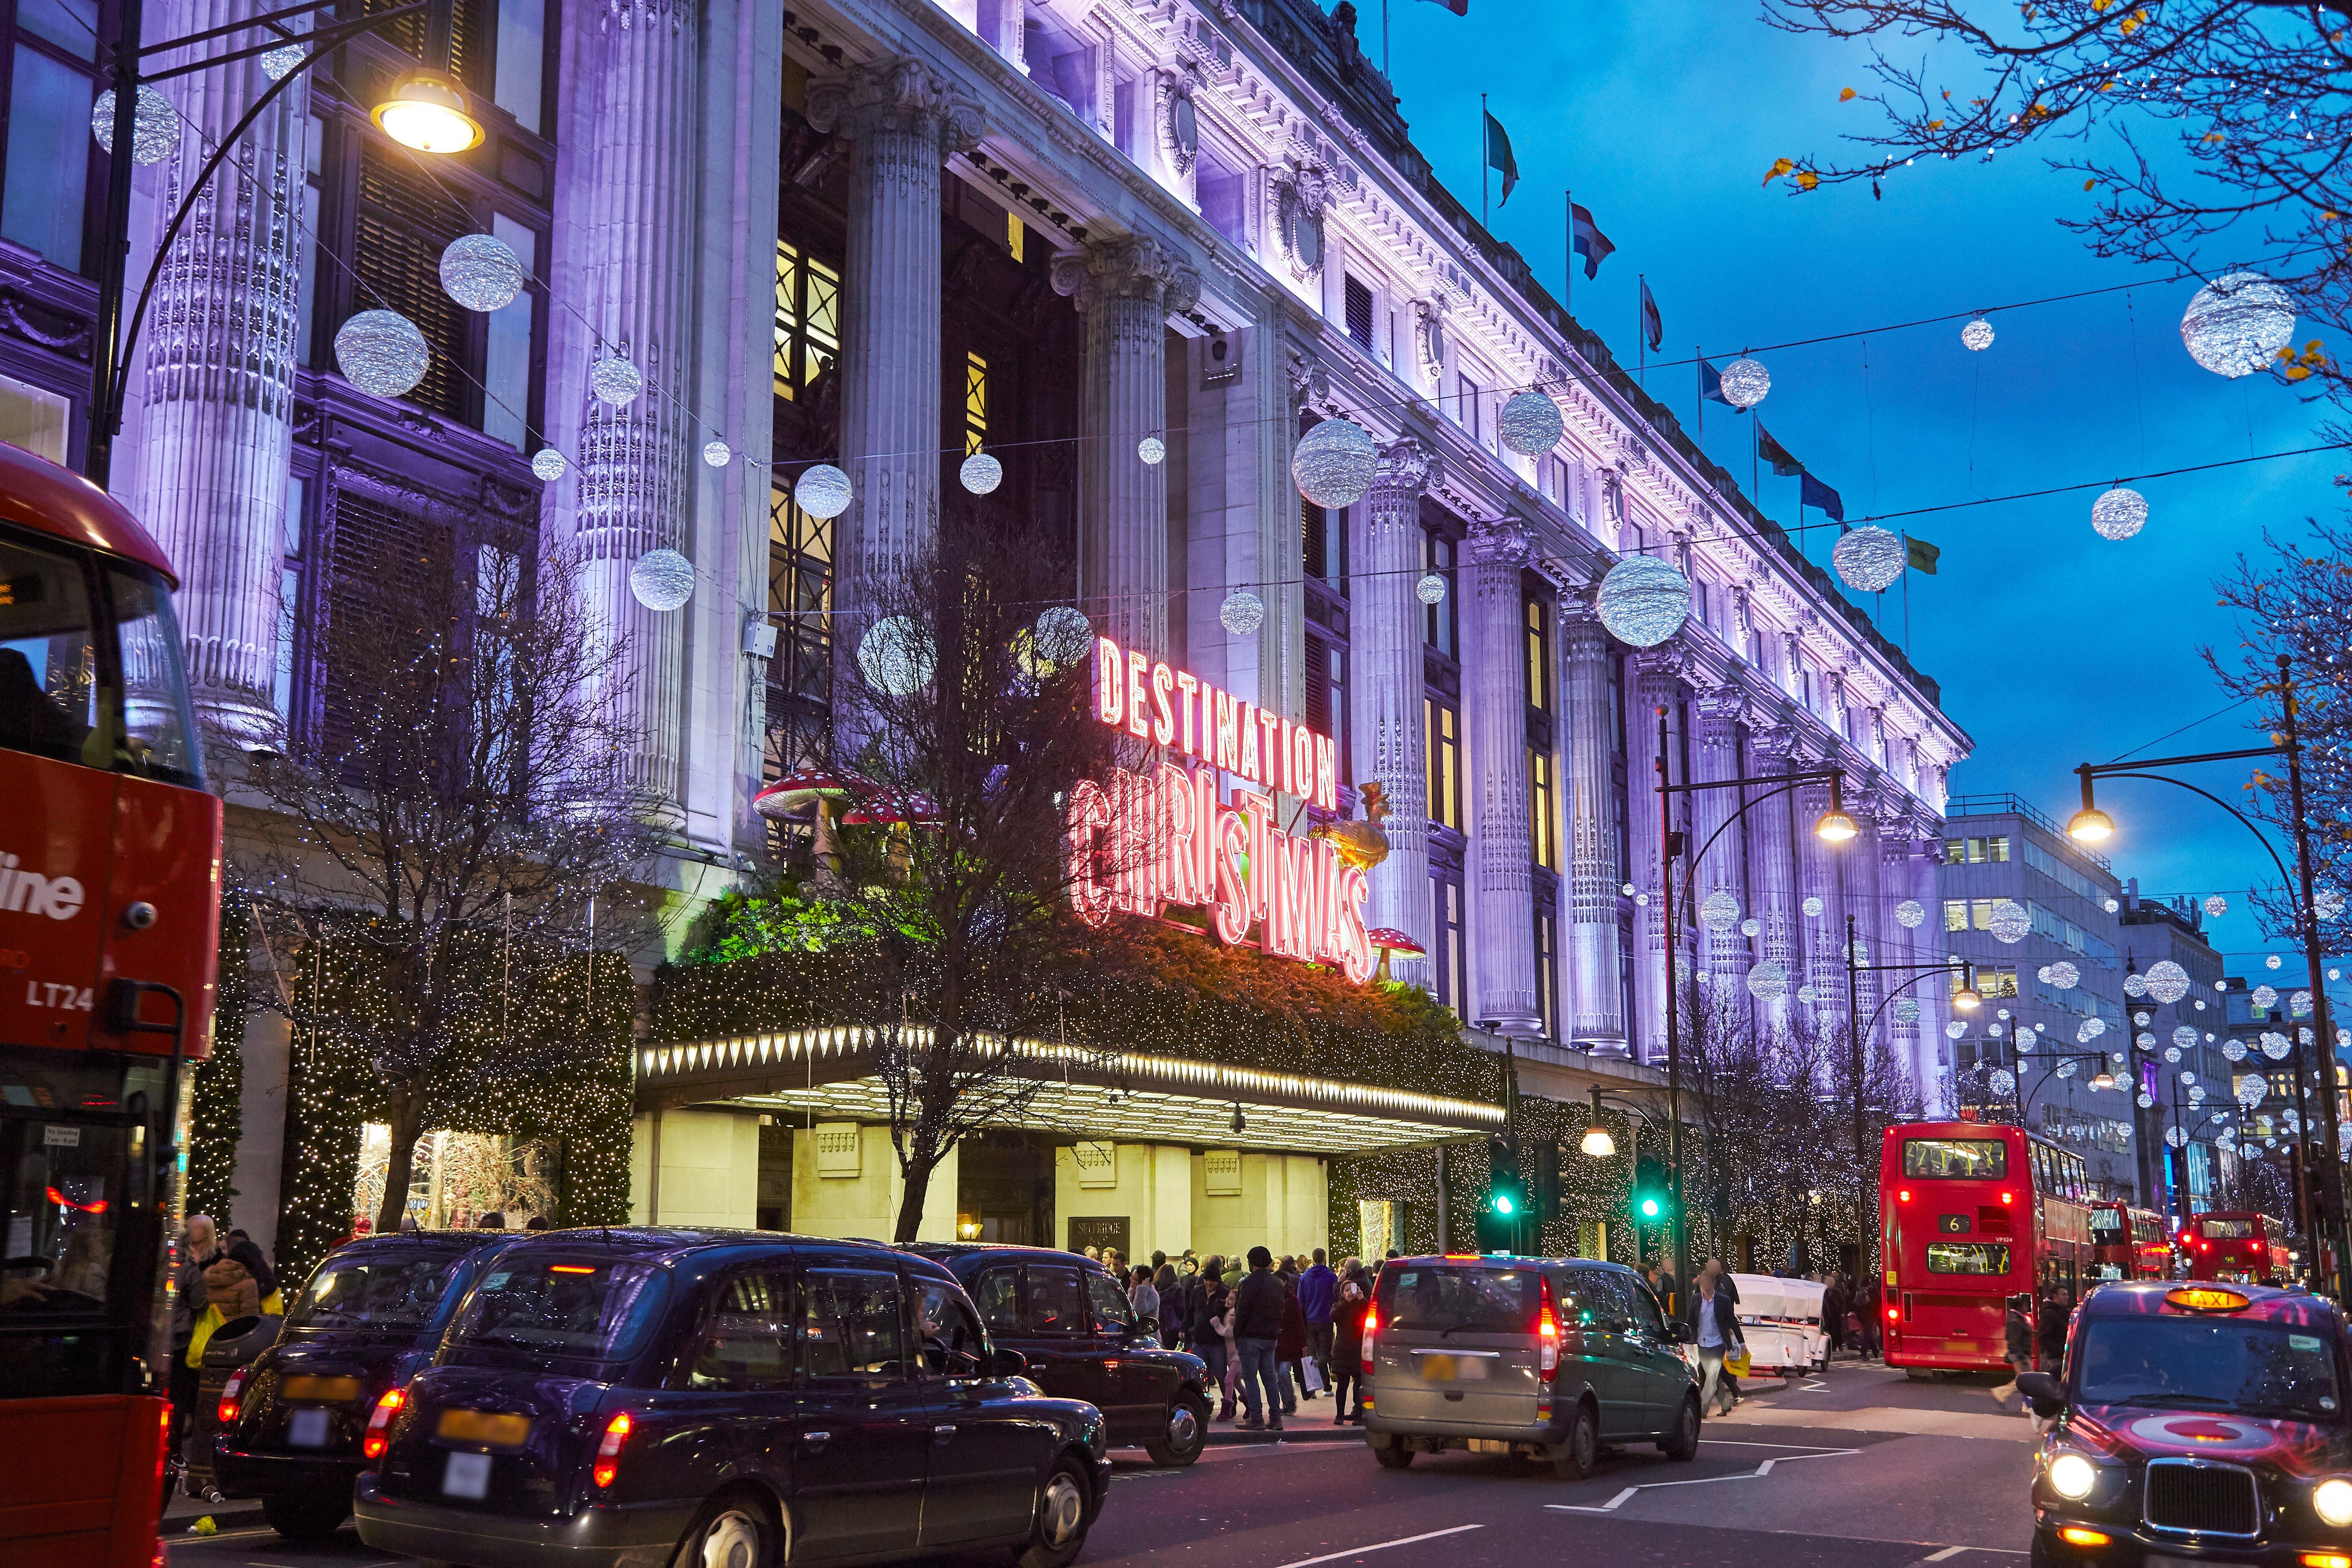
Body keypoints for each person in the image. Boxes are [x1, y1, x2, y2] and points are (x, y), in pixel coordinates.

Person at [1231, 1246, 1287, 1431]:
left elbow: (1242, 1312)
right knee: (1269, 1377)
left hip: (1250, 1336)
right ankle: (1276, 1417)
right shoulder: (1276, 1283)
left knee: (1251, 1377)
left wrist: (1237, 1334)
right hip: (1271, 1335)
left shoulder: (1248, 1283)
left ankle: (1257, 1417)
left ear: (1252, 1262)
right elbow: (1281, 1309)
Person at [1684, 1265, 1745, 1417]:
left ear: (1713, 1283)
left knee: (1711, 1378)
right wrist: (1683, 1335)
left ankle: (1702, 1409)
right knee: (1715, 1378)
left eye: (1707, 1281)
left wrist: (1742, 1343)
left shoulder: (1723, 1300)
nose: (1704, 1284)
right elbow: (1691, 1320)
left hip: (1718, 1344)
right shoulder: (1696, 1299)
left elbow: (1733, 1322)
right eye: (1702, 1282)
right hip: (1702, 1343)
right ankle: (1725, 1405)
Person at [1329, 1261, 1371, 1424]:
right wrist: (1346, 1302)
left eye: (1352, 1289)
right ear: (1342, 1293)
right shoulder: (1339, 1305)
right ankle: (1339, 1415)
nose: (1350, 1293)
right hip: (1343, 1350)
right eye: (1346, 1291)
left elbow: (1370, 1315)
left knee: (1359, 1385)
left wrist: (1362, 1299)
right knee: (1342, 1385)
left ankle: (1359, 1415)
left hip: (1359, 1349)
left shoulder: (1362, 1305)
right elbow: (1334, 1316)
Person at [1299, 1247, 1337, 1394]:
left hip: (1310, 1320)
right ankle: (1326, 1387)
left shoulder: (1305, 1278)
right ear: (1325, 1258)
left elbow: (1301, 1301)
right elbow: (1336, 1297)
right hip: (1326, 1319)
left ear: (1313, 1259)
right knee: (1324, 1352)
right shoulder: (1331, 1276)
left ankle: (1314, 1388)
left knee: (1311, 1352)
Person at [1992, 1292, 2035, 1408]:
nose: (2027, 1308)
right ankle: (2002, 1393)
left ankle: (2025, 1404)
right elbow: (2015, 1340)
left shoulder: (2016, 1318)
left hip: (2020, 1353)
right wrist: (2022, 1356)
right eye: (2025, 1306)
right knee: (2026, 1379)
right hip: (2019, 1354)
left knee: (2025, 1379)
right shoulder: (2015, 1320)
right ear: (2020, 1307)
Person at [2038, 1287, 2073, 1374]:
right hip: (2056, 1360)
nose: (2067, 1297)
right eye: (2064, 1295)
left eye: (2067, 1294)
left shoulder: (2061, 1311)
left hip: (2063, 1357)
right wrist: (2059, 1351)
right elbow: (2043, 1337)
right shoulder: (2050, 1314)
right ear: (2055, 1296)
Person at [1823, 1271, 1848, 1359]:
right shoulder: (1825, 1292)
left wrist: (1842, 1312)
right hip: (1828, 1313)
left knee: (1838, 1330)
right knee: (1830, 1330)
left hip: (1836, 1313)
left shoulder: (1837, 1291)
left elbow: (1842, 1302)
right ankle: (1833, 1346)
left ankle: (1839, 1344)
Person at [1128, 1264, 1161, 1330]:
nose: (1130, 1279)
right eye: (1131, 1276)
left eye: (1134, 1279)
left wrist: (1142, 1290)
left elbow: (1138, 1312)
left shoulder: (1152, 1295)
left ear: (1143, 1282)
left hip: (1146, 1332)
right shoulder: (1133, 1291)